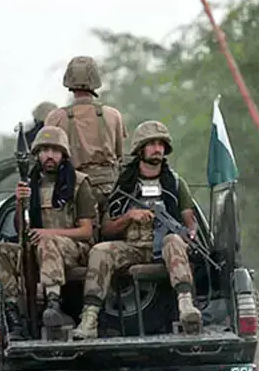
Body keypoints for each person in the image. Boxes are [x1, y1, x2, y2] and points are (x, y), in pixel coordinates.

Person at [71, 120, 201, 340]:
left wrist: (190, 233)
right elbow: (108, 228)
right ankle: (89, 318)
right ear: (140, 149)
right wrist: (129, 216)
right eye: (151, 144)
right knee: (100, 251)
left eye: (161, 144)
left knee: (175, 241)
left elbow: (189, 219)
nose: (157, 149)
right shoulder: (125, 185)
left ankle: (186, 307)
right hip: (133, 248)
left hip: (165, 248)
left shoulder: (175, 183)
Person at [0, 126, 97, 341]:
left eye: (55, 150)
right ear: (37, 154)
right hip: (38, 247)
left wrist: (47, 233)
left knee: (47, 242)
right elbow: (22, 230)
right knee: (3, 250)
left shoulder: (78, 183)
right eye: (44, 150)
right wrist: (21, 202)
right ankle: (14, 314)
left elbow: (86, 231)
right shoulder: (31, 183)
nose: (49, 155)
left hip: (73, 249)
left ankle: (53, 303)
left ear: (63, 154)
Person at [45, 56, 128, 225]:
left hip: (73, 190)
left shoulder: (55, 117)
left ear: (68, 80)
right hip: (110, 190)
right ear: (96, 80)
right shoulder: (113, 115)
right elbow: (120, 156)